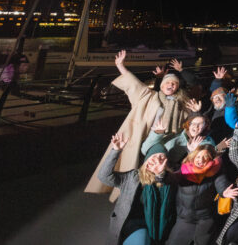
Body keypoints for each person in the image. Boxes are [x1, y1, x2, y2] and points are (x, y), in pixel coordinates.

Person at [88, 51, 193, 200]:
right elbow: (134, 84)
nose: (171, 85)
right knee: (136, 170)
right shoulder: (149, 96)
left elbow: (189, 122)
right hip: (143, 140)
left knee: (159, 174)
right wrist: (120, 66)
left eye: (174, 83)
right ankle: (132, 197)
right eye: (168, 82)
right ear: (162, 85)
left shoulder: (181, 105)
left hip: (164, 145)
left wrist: (196, 113)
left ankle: (153, 197)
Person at [97, 134, 177, 245]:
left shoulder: (169, 179)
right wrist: (116, 151)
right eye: (154, 156)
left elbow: (166, 194)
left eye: (161, 157)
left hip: (148, 225)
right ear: (146, 160)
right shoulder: (132, 177)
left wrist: (160, 175)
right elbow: (104, 176)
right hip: (126, 222)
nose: (157, 160)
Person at [166, 143, 230, 245]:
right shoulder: (185, 170)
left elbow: (221, 183)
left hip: (205, 219)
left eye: (206, 157)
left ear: (211, 160)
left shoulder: (216, 172)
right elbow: (171, 178)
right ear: (193, 157)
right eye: (198, 156)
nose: (201, 160)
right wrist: (161, 175)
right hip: (185, 218)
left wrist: (225, 191)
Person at [141, 112, 217, 168]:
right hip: (152, 168)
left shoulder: (207, 143)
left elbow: (200, 167)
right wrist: (157, 134)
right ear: (188, 124)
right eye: (193, 123)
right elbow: (145, 150)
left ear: (205, 126)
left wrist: (191, 152)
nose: (196, 126)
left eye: (200, 124)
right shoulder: (175, 136)